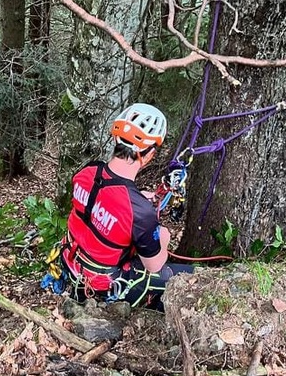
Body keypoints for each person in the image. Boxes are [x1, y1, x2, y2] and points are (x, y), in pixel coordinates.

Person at [47, 103, 193, 311]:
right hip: (105, 285)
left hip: (73, 262)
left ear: (116, 139)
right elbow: (154, 266)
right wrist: (164, 238)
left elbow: (98, 201)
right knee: (190, 279)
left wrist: (137, 200)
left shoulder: (88, 172)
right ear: (149, 154)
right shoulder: (140, 212)